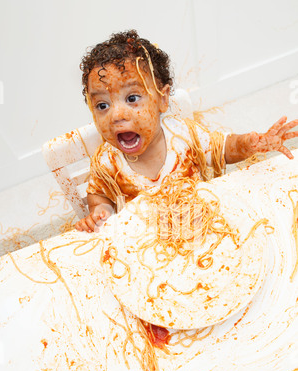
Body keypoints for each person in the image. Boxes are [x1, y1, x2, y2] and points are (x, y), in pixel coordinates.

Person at [75, 30, 298, 233]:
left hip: (203, 225)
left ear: (162, 99)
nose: (116, 116)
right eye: (102, 105)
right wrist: (99, 213)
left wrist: (249, 144)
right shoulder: (107, 161)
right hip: (146, 242)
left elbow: (223, 149)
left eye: (132, 98)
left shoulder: (183, 135)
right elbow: (100, 194)